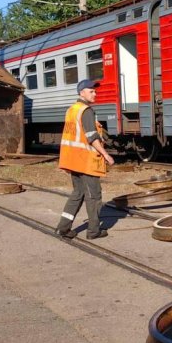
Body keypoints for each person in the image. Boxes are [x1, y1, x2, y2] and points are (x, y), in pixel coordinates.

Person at [55, 79, 115, 240]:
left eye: (95, 91)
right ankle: (94, 231)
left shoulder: (71, 110)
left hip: (72, 159)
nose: (95, 94)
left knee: (78, 193)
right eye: (91, 91)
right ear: (82, 93)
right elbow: (91, 137)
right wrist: (106, 155)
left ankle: (63, 228)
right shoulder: (86, 110)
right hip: (86, 160)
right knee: (94, 196)